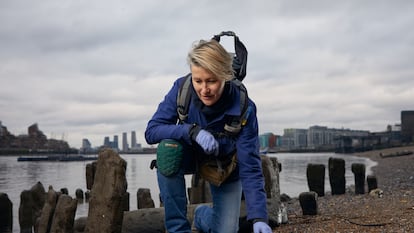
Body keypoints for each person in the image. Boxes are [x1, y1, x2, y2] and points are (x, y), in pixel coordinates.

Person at [145, 37, 272, 233]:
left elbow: (250, 166)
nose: (204, 89)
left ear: (226, 76)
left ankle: (202, 215)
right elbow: (152, 131)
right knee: (167, 150)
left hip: (224, 165)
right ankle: (178, 230)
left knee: (227, 230)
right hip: (189, 155)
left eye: (211, 81)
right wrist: (191, 131)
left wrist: (259, 218)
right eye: (198, 81)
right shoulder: (181, 89)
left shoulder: (244, 107)